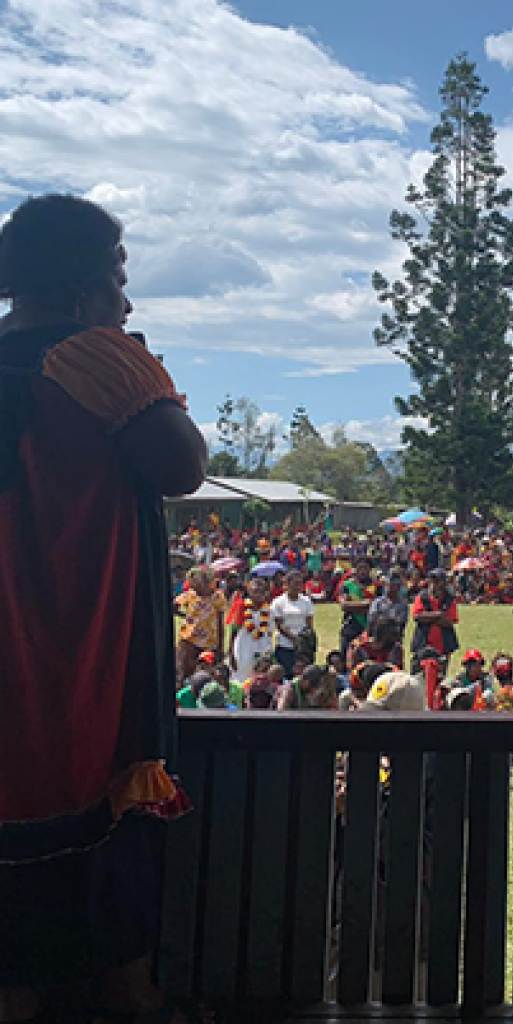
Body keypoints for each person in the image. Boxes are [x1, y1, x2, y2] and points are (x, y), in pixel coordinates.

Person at [0, 194, 207, 1022]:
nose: (127, 302)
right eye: (120, 281)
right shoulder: (95, 358)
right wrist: (140, 367)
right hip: (84, 645)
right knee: (106, 837)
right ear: (86, 290)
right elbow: (182, 467)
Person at [174, 567, 226, 683]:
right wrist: (185, 616)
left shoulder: (218, 597)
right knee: (185, 672)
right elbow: (174, 606)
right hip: (190, 640)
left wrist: (221, 646)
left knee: (206, 674)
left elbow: (220, 621)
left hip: (209, 642)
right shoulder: (190, 595)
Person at [229, 574, 274, 686]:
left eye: (261, 591)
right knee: (242, 674)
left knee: (260, 675)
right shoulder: (242, 606)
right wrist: (231, 654)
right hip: (244, 646)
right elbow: (234, 631)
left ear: (266, 593)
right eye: (255, 591)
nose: (258, 594)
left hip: (262, 645)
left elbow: (269, 632)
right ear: (249, 592)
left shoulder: (268, 609)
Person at [411, 569, 460, 669]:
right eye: (432, 580)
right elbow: (417, 616)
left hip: (443, 645)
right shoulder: (422, 596)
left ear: (444, 583)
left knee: (440, 674)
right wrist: (438, 615)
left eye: (437, 581)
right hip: (423, 643)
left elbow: (451, 621)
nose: (434, 583)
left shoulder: (449, 599)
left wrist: (428, 617)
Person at [271, 570, 315, 677]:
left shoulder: (306, 601)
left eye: (300, 583)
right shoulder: (278, 602)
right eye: (295, 583)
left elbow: (309, 623)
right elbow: (279, 625)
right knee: (287, 675)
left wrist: (304, 640)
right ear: (287, 584)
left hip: (303, 647)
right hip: (285, 644)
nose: (298, 586)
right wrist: (294, 639)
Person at [338, 557, 376, 662]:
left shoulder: (376, 586)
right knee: (346, 659)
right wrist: (365, 604)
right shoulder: (347, 585)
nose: (362, 571)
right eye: (360, 568)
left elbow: (376, 605)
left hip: (369, 629)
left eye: (365, 568)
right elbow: (344, 605)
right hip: (350, 628)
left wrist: (353, 605)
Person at [368, 570, 409, 635]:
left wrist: (382, 618)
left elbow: (399, 623)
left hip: (393, 638)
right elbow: (372, 620)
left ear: (399, 587)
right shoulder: (377, 602)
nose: (389, 587)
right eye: (387, 584)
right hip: (376, 637)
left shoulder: (403, 605)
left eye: (393, 585)